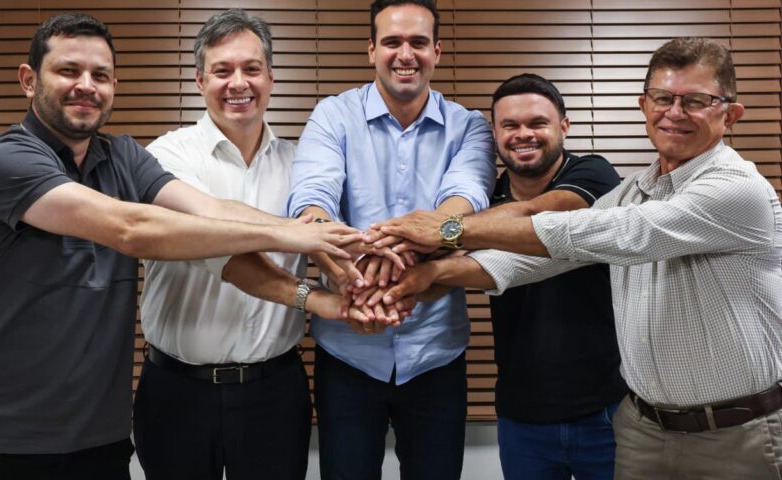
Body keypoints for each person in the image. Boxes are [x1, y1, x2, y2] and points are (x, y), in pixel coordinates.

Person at [0, 13, 361, 480]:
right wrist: (290, 235)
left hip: (99, 437)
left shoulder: (123, 156)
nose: (86, 86)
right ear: (29, 80)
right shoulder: (7, 162)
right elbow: (131, 229)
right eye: (68, 71)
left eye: (100, 75)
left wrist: (319, 239)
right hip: (7, 437)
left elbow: (210, 210)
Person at [376, 37, 782, 479]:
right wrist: (430, 276)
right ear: (644, 105)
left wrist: (449, 229)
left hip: (735, 432)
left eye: (696, 101)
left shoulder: (736, 188)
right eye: (663, 98)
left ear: (731, 114)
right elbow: (542, 259)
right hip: (644, 429)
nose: (675, 112)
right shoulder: (634, 190)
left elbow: (614, 232)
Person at [286, 0, 495, 478]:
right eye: (392, 42)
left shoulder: (468, 126)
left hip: (435, 353)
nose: (406, 54)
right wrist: (352, 258)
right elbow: (312, 199)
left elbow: (463, 200)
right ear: (371, 50)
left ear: (436, 51)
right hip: (348, 349)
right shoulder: (333, 114)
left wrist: (394, 248)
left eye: (418, 42)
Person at [133, 10, 317, 480]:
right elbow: (208, 238)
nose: (239, 83)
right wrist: (289, 233)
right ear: (200, 81)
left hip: (274, 391)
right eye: (222, 70)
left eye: (252, 69)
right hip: (177, 390)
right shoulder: (166, 155)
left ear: (271, 77)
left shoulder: (303, 166)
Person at [478, 74, 626, 479]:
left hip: (608, 410)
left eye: (537, 123)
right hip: (522, 417)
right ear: (495, 133)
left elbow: (540, 218)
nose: (523, 134)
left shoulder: (595, 176)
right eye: (510, 125)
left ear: (564, 126)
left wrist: (453, 230)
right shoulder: (483, 200)